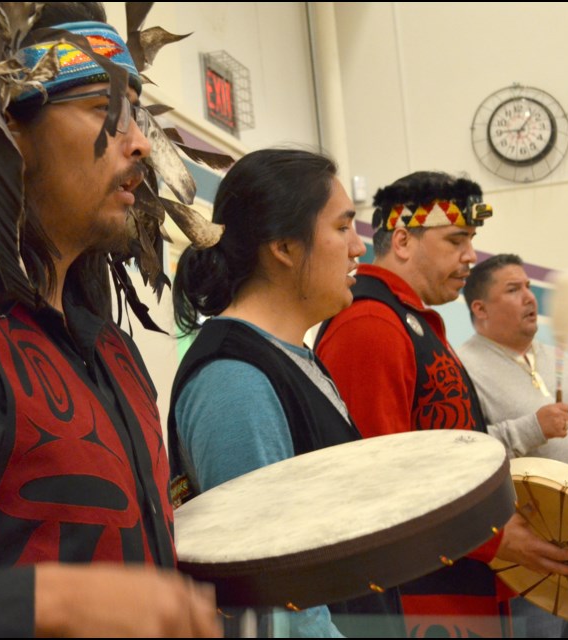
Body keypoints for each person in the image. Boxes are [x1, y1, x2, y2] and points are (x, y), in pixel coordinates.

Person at [0, 3, 220, 636]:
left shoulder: (113, 351)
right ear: (7, 126)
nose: (138, 141)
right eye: (98, 108)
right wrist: (49, 603)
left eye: (134, 112)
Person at [316, 172, 568, 637]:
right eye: (456, 240)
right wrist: (495, 538)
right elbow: (379, 479)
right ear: (402, 240)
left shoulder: (411, 321)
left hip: (453, 582)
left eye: (471, 240)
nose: (471, 256)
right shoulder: (369, 325)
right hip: (417, 597)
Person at [168, 148, 403, 637]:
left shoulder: (293, 357)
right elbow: (273, 594)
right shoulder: (234, 380)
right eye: (342, 228)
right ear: (284, 247)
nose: (359, 248)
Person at [456, 253, 568, 638]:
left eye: (529, 287)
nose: (529, 297)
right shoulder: (462, 368)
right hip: (529, 552)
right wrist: (530, 428)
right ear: (480, 308)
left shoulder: (559, 359)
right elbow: (462, 452)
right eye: (513, 289)